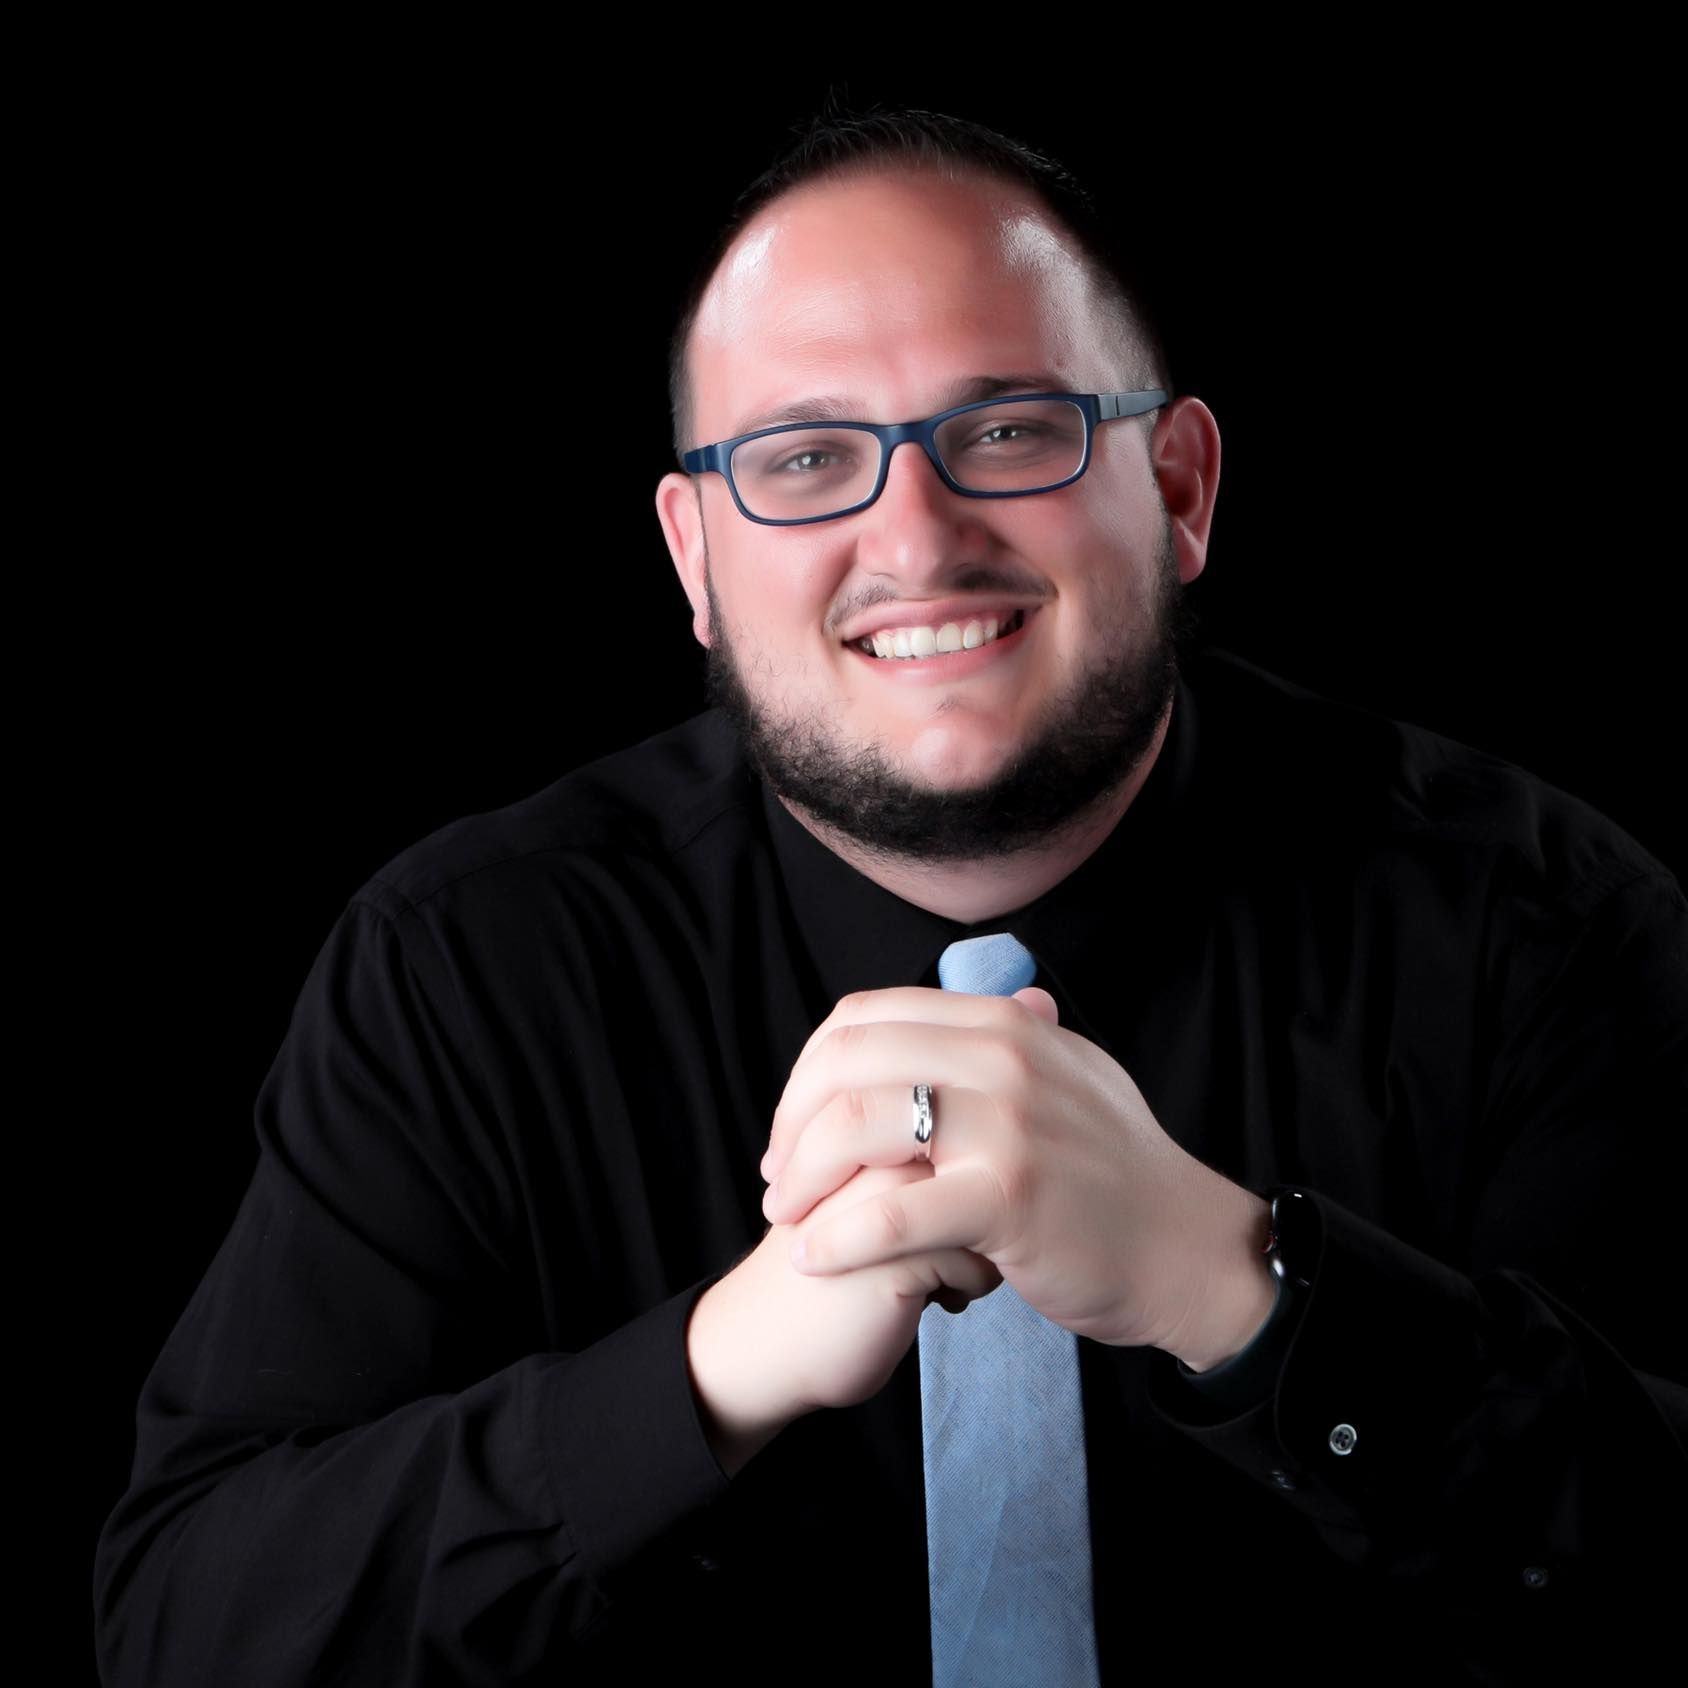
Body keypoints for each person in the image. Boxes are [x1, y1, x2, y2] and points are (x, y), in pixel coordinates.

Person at [95, 102, 1686, 1685]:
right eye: (802, 459)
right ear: (695, 562)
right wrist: (709, 1373)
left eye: (1006, 429)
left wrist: (1245, 1291)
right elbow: (190, 1626)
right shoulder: (466, 969)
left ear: (1182, 486)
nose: (914, 536)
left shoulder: (1537, 928)